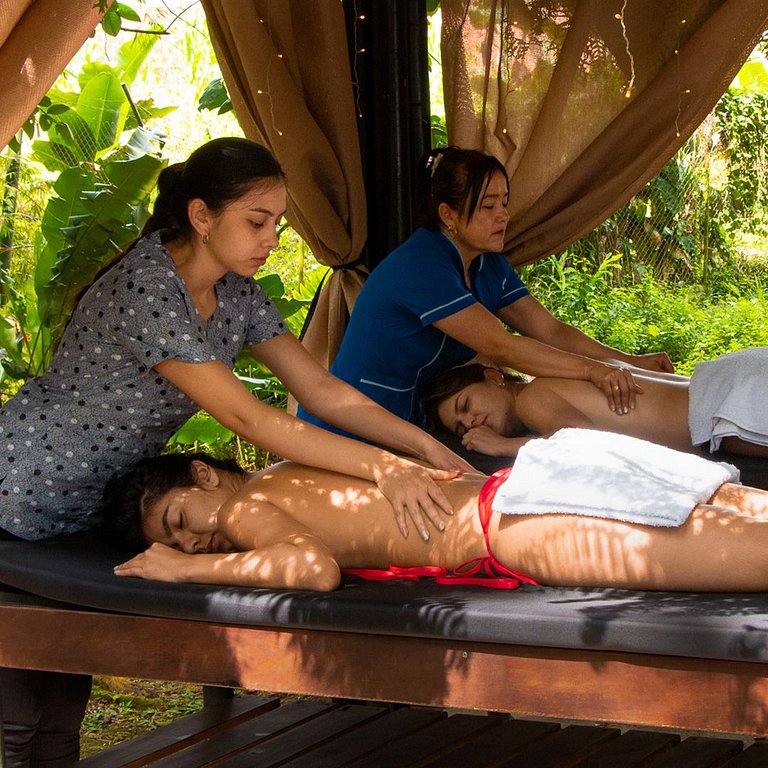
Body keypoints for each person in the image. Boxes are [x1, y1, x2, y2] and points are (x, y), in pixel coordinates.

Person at [0, 137, 474, 767]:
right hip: (18, 488)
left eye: (277, 222)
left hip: (96, 503)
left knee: (60, 697)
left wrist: (420, 446)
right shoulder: (147, 287)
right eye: (257, 221)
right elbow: (248, 417)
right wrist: (382, 469)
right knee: (18, 713)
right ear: (201, 216)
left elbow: (322, 390)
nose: (272, 237)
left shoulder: (237, 296)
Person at [103, 429, 768, 595]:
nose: (193, 543)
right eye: (180, 546)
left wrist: (182, 575)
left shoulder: (248, 508)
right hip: (542, 477)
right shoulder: (289, 467)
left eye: (180, 522)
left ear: (204, 475)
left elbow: (308, 569)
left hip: (520, 518)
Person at [298, 146, 673, 433]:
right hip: (347, 426)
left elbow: (550, 330)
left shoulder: (486, 262)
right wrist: (593, 372)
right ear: (448, 215)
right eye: (488, 205)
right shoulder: (421, 265)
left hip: (407, 425)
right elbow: (502, 346)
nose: (503, 216)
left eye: (505, 203)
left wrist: (627, 362)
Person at [423, 349, 768, 460]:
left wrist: (503, 445)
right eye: (459, 426)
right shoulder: (561, 374)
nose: (469, 422)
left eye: (465, 405)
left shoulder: (531, 398)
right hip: (731, 379)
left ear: (494, 377)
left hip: (727, 407)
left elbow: (579, 443)